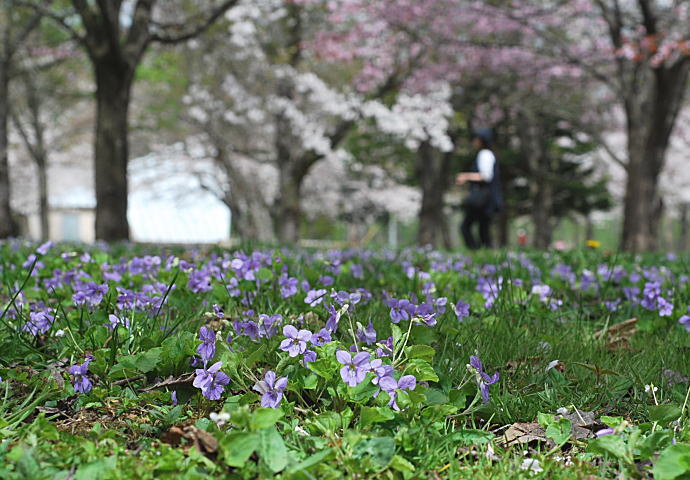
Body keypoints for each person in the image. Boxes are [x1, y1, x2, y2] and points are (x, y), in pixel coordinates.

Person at [455, 129, 502, 250]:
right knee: (483, 229)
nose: (474, 141)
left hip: (483, 199)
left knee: (466, 227)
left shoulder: (485, 154)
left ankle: (475, 252)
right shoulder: (487, 154)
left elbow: (486, 176)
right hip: (486, 199)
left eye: (477, 139)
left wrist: (465, 176)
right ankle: (486, 256)